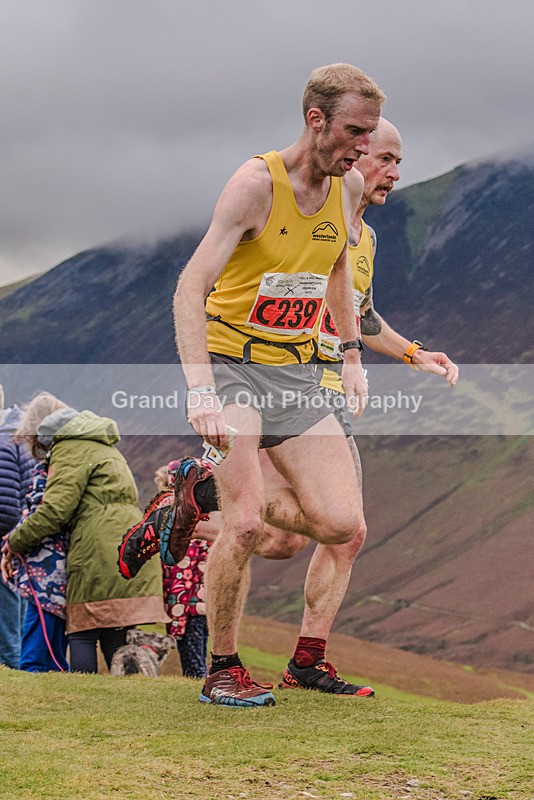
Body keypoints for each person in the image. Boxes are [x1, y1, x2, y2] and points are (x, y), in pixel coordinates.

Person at [118, 118, 459, 700]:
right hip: (270, 377)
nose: (392, 174)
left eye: (398, 162)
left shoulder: (364, 242)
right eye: (383, 159)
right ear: (350, 156)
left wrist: (412, 354)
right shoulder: (288, 202)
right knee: (270, 525)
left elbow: (362, 314)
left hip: (318, 390)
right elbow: (216, 287)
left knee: (294, 537)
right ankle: (285, 654)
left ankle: (194, 505)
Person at [170, 63, 388, 708]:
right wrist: (200, 390)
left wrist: (350, 354)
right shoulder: (253, 186)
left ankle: (197, 490)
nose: (362, 147)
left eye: (370, 134)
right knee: (242, 526)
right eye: (354, 131)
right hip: (232, 365)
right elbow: (190, 288)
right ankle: (223, 668)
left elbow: (340, 272)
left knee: (343, 525)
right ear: (315, 119)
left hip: (296, 373)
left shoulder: (347, 189)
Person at [1, 392, 168, 673]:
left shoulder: (71, 448)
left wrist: (13, 542)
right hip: (127, 541)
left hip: (97, 546)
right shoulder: (98, 442)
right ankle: (120, 700)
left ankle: (82, 692)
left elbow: (55, 509)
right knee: (114, 628)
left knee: (83, 629)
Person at [7, 458, 69, 672]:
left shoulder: (49, 468)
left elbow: (41, 513)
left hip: (44, 564)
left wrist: (12, 542)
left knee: (39, 619)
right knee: (52, 626)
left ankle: (31, 669)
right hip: (58, 559)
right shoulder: (66, 464)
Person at [155, 464, 210, 679]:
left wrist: (179, 614)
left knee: (192, 659)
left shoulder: (182, 525)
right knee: (199, 651)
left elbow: (183, 572)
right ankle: (201, 681)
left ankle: (198, 684)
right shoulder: (205, 518)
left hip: (184, 606)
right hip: (201, 604)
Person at [0, 384, 34, 669]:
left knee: (7, 622)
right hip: (20, 540)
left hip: (5, 542)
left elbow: (5, 506)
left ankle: (14, 672)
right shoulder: (19, 437)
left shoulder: (3, 443)